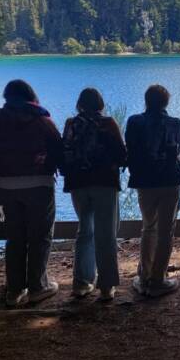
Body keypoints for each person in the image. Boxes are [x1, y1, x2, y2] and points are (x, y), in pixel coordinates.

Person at [0, 79, 63, 307]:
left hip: (6, 186)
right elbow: (58, 148)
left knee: (14, 238)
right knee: (40, 236)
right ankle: (37, 286)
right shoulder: (42, 120)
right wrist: (48, 165)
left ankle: (14, 290)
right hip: (39, 184)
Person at [61, 88, 127, 301]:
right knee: (105, 233)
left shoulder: (71, 124)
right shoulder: (108, 124)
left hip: (78, 184)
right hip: (104, 182)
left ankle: (81, 283)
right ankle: (106, 286)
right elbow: (120, 153)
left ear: (79, 104)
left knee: (84, 231)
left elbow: (65, 151)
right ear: (100, 104)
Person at [126, 84, 180, 298]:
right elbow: (177, 150)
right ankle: (158, 280)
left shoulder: (134, 122)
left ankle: (144, 277)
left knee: (148, 227)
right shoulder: (175, 123)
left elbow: (130, 149)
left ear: (146, 100)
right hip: (170, 180)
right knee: (165, 231)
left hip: (144, 182)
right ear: (166, 102)